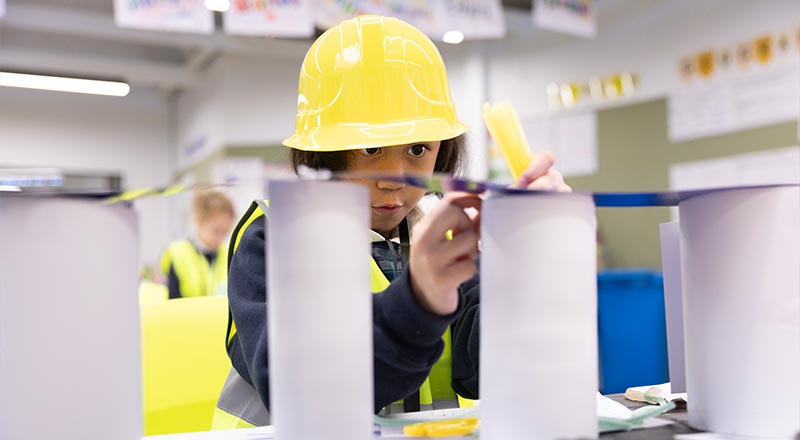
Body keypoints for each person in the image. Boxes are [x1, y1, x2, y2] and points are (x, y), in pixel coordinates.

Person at [212, 15, 571, 428]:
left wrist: (531, 263)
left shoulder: (444, 227)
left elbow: (481, 369)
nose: (394, 178)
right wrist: (419, 302)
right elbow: (297, 387)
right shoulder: (277, 237)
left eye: (418, 149)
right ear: (322, 152)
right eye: (370, 149)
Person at [160, 190, 235, 299]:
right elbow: (172, 301)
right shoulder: (178, 254)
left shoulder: (229, 254)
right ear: (199, 221)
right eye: (216, 231)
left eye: (225, 232)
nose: (221, 238)